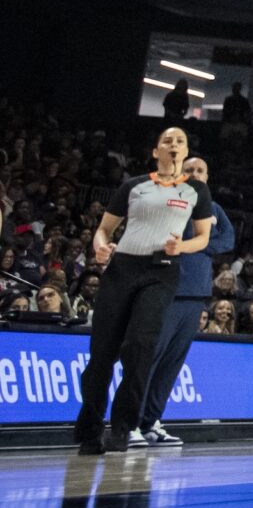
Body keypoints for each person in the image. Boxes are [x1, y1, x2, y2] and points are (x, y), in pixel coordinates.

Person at [73, 126, 212, 454]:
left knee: (139, 348)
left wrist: (182, 246)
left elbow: (203, 237)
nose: (174, 146)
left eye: (180, 142)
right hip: (122, 269)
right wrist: (101, 247)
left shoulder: (196, 192)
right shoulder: (134, 186)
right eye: (168, 141)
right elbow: (103, 230)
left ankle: (123, 428)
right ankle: (90, 429)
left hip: (160, 272)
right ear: (156, 151)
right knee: (101, 354)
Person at [137, 152, 231, 447]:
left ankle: (151, 421)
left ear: (207, 176)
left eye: (200, 170)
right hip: (167, 290)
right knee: (149, 359)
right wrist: (199, 245)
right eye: (189, 169)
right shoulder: (168, 201)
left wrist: (196, 246)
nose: (195, 174)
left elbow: (227, 240)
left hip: (196, 294)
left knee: (171, 363)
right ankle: (128, 422)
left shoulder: (214, 208)